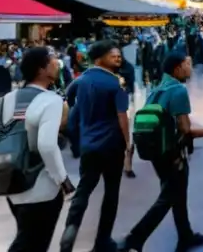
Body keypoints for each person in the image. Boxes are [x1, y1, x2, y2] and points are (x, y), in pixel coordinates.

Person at [121, 52, 203, 251]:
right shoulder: (178, 90)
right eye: (188, 64)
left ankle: (185, 235)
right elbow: (185, 128)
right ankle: (135, 238)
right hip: (173, 152)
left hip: (157, 151)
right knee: (169, 196)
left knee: (176, 193)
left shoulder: (157, 88)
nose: (191, 68)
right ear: (178, 68)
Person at [0, 47, 74, 252]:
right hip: (40, 183)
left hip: (10, 179)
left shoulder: (9, 99)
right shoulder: (50, 100)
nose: (57, 65)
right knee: (33, 242)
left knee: (26, 236)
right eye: (53, 62)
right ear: (42, 70)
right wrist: (63, 180)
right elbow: (46, 145)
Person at [60, 40, 130, 252]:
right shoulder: (115, 83)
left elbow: (67, 102)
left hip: (88, 144)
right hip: (112, 144)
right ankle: (103, 241)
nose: (118, 58)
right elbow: (122, 116)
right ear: (100, 58)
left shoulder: (81, 80)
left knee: (84, 188)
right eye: (113, 55)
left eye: (118, 55)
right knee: (111, 192)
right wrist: (128, 143)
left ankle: (70, 228)